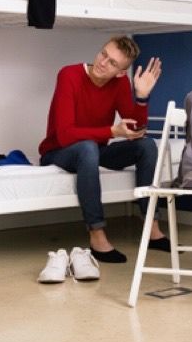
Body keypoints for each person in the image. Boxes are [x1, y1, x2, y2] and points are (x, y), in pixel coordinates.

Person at [39, 36, 167, 266]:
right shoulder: (69, 75)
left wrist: (141, 97)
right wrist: (112, 131)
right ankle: (97, 236)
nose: (102, 62)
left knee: (147, 145)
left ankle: (152, 229)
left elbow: (135, 128)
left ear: (121, 73)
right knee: (88, 148)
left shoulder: (118, 84)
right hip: (58, 151)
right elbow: (65, 134)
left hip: (94, 150)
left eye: (113, 63)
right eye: (103, 54)